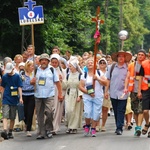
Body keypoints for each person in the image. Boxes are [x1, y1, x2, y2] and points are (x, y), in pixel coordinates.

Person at [30, 53, 63, 139]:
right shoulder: (36, 70)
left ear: (48, 61)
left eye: (45, 60)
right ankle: (41, 132)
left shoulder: (52, 70)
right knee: (39, 114)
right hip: (38, 95)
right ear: (40, 61)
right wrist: (32, 82)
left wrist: (60, 94)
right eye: (42, 60)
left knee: (49, 112)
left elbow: (57, 82)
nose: (44, 61)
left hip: (49, 95)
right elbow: (31, 82)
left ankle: (48, 129)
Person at [104, 50, 132, 135]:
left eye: (122, 56)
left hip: (123, 93)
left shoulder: (128, 67)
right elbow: (108, 80)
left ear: (125, 58)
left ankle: (119, 127)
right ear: (117, 58)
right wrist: (106, 91)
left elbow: (130, 79)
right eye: (119, 56)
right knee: (116, 110)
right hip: (113, 92)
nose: (121, 58)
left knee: (121, 110)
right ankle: (118, 125)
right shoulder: (112, 67)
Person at [79, 58, 107, 137]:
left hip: (98, 96)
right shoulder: (84, 74)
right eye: (89, 63)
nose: (90, 64)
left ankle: (93, 128)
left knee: (96, 113)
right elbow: (81, 86)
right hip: (88, 97)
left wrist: (97, 78)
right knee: (87, 113)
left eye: (92, 63)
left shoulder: (99, 73)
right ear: (86, 65)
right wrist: (88, 92)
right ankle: (87, 125)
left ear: (95, 64)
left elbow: (106, 83)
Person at [124, 49, 146, 136]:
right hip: (133, 90)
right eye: (139, 54)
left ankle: (139, 127)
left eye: (142, 55)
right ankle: (137, 127)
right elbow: (127, 77)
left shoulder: (146, 65)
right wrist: (126, 87)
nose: (140, 56)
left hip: (144, 90)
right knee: (135, 110)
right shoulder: (131, 65)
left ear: (145, 56)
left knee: (141, 110)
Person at [1, 62, 23, 140]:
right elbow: (2, 87)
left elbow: (20, 87)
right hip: (6, 97)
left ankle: (10, 131)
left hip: (14, 98)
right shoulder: (4, 76)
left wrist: (20, 97)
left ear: (13, 69)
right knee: (5, 115)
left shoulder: (17, 76)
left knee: (12, 116)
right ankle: (5, 130)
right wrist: (2, 96)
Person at [63, 59, 83, 134]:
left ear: (75, 67)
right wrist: (61, 80)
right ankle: (69, 125)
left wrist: (80, 96)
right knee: (68, 111)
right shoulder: (68, 75)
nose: (69, 67)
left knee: (74, 111)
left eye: (71, 66)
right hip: (69, 94)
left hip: (76, 94)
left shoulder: (80, 75)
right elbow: (64, 85)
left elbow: (81, 86)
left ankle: (73, 127)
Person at [49, 54, 65, 135]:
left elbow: (65, 83)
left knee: (57, 111)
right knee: (50, 110)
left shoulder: (62, 71)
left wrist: (61, 80)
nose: (54, 64)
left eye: (56, 62)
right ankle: (48, 127)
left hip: (58, 92)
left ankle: (54, 127)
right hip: (49, 92)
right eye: (53, 62)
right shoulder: (48, 69)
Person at [96, 58, 111, 132]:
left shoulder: (108, 73)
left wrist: (101, 81)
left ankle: (103, 125)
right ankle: (97, 124)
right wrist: (103, 81)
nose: (102, 64)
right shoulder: (96, 72)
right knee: (98, 109)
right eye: (100, 63)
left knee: (105, 109)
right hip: (98, 93)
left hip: (107, 92)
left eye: (104, 63)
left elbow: (108, 83)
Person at [138, 51, 150, 138]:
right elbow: (140, 78)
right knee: (145, 111)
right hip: (146, 89)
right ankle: (147, 123)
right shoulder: (144, 64)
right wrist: (139, 91)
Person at [22, 60, 35, 137]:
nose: (32, 67)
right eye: (31, 66)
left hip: (31, 94)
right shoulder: (22, 74)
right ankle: (26, 123)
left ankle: (28, 129)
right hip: (24, 94)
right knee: (24, 112)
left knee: (30, 112)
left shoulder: (34, 74)